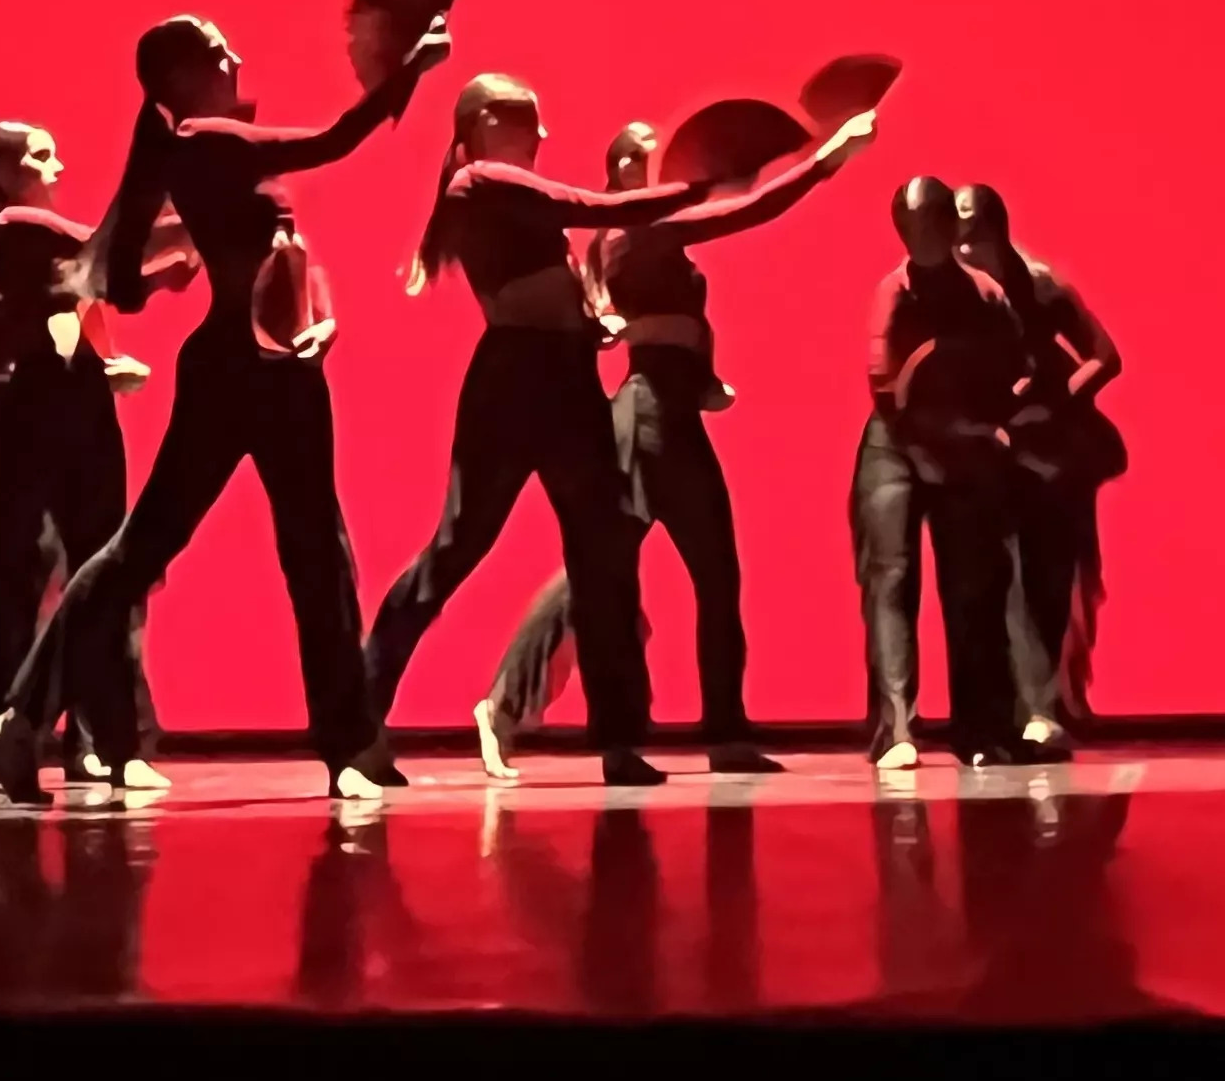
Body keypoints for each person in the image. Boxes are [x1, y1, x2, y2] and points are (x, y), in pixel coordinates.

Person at [0, 7, 448, 802]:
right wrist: (408, 70)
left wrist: (280, 297)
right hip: (245, 371)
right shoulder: (206, 141)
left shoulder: (180, 151)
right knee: (259, 550)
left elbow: (124, 282)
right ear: (176, 79)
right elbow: (336, 140)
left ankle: (25, 718)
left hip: (266, 364)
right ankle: (341, 747)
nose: (236, 56)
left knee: (272, 549)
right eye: (214, 51)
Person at [473, 110, 876, 778]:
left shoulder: (648, 235)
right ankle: (510, 704)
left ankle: (722, 731)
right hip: (644, 416)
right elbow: (749, 212)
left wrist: (704, 370)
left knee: (701, 575)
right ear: (624, 171)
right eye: (648, 159)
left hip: (671, 412)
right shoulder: (639, 228)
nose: (665, 169)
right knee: (608, 576)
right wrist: (828, 156)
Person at [360, 76, 725, 788]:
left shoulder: (516, 200)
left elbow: (562, 283)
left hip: (565, 379)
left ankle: (620, 739)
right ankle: (359, 719)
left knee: (603, 558)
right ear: (484, 123)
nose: (543, 137)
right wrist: (694, 189)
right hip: (516, 381)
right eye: (529, 122)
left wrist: (592, 325)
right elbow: (598, 206)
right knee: (458, 547)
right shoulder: (479, 180)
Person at [0, 122, 172, 792]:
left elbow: (83, 298)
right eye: (42, 156)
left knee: (96, 571)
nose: (58, 164)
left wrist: (104, 361)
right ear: (6, 172)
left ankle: (98, 739)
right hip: (31, 422)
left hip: (74, 416)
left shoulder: (35, 233)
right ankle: (38, 730)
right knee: (36, 583)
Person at [852, 177, 1033, 768]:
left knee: (971, 585)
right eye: (909, 226)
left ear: (950, 227)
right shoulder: (894, 291)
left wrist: (991, 428)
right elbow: (882, 381)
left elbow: (1018, 366)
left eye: (931, 222)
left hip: (958, 445)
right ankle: (897, 729)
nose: (920, 235)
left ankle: (981, 729)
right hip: (895, 446)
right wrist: (919, 447)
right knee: (892, 578)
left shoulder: (984, 294)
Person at [960, 181, 1126, 742]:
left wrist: (1053, 403)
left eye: (971, 231)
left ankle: (1055, 697)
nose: (961, 246)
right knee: (1007, 576)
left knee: (1058, 575)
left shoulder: (1040, 285)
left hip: (1055, 457)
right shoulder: (961, 293)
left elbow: (1105, 358)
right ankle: (1024, 702)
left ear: (993, 230)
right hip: (1003, 454)